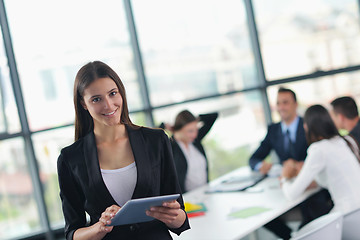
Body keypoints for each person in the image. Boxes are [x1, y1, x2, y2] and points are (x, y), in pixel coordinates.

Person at [57, 61, 190, 240]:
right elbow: (72, 233)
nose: (109, 105)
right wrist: (99, 228)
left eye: (113, 94)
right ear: (83, 104)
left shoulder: (156, 141)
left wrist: (173, 216)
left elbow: (180, 217)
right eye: (96, 99)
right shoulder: (70, 158)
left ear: (121, 92)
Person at [281, 104, 360, 216]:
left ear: (307, 126)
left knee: (306, 228)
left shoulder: (318, 149)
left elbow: (291, 194)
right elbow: (337, 177)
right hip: (355, 212)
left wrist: (285, 177)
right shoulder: (347, 140)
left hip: (349, 214)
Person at [161, 111, 218, 193]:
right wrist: (163, 126)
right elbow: (151, 141)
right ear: (178, 130)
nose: (194, 134)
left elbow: (213, 116)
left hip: (206, 191)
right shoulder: (170, 147)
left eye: (196, 130)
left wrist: (197, 118)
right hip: (187, 197)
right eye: (190, 131)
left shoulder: (195, 141)